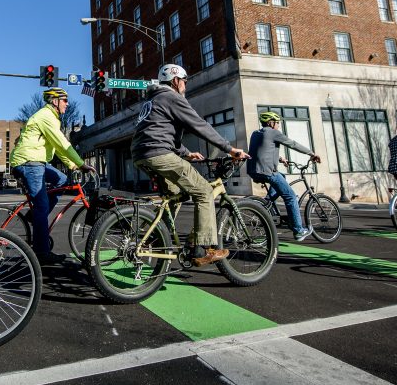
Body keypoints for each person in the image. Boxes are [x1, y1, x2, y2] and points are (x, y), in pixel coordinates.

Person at [131, 64, 249, 266]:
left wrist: (186, 153)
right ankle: (202, 249)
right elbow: (200, 125)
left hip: (141, 154)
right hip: (159, 153)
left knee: (175, 193)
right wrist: (230, 149)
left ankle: (157, 237)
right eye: (184, 81)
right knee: (203, 190)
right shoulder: (172, 97)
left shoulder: (153, 100)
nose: (185, 85)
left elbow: (163, 134)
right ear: (176, 81)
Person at [9, 87, 93, 264]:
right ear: (55, 101)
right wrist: (80, 163)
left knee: (61, 179)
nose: (67, 103)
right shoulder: (46, 116)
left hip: (37, 161)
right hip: (29, 162)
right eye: (64, 100)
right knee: (42, 206)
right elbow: (64, 144)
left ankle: (34, 216)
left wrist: (72, 165)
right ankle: (41, 253)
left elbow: (57, 146)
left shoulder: (52, 118)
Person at [247, 111, 321, 241]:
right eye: (277, 123)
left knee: (282, 176)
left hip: (253, 170)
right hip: (267, 171)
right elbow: (292, 143)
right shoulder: (273, 132)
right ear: (271, 123)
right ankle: (298, 231)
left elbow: (262, 150)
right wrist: (311, 153)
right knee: (290, 196)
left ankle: (269, 204)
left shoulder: (256, 133)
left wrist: (280, 158)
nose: (278, 126)